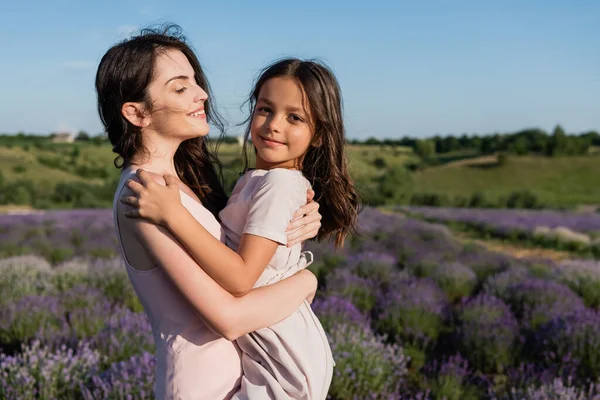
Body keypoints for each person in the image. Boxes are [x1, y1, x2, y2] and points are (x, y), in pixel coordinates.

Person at [96, 25, 323, 399]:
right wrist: (306, 282)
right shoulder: (143, 195)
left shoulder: (178, 183)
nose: (202, 93)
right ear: (137, 113)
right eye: (180, 87)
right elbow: (227, 318)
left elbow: (236, 255)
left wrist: (293, 223)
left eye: (196, 82)